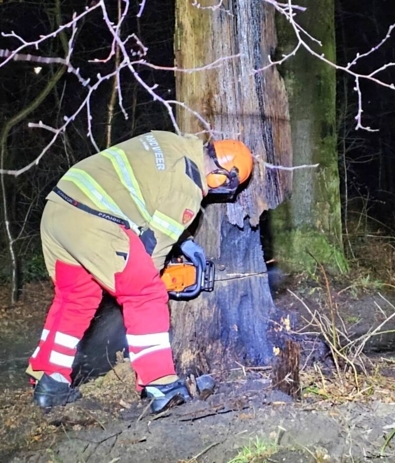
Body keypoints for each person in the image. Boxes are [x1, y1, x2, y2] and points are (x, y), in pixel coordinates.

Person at [26, 131, 254, 413]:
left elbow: (149, 196)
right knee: (146, 294)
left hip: (59, 210)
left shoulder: (172, 142)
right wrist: (156, 280)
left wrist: (184, 241)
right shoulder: (189, 186)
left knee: (75, 299)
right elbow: (151, 252)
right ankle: (160, 383)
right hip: (93, 218)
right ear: (222, 177)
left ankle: (50, 380)